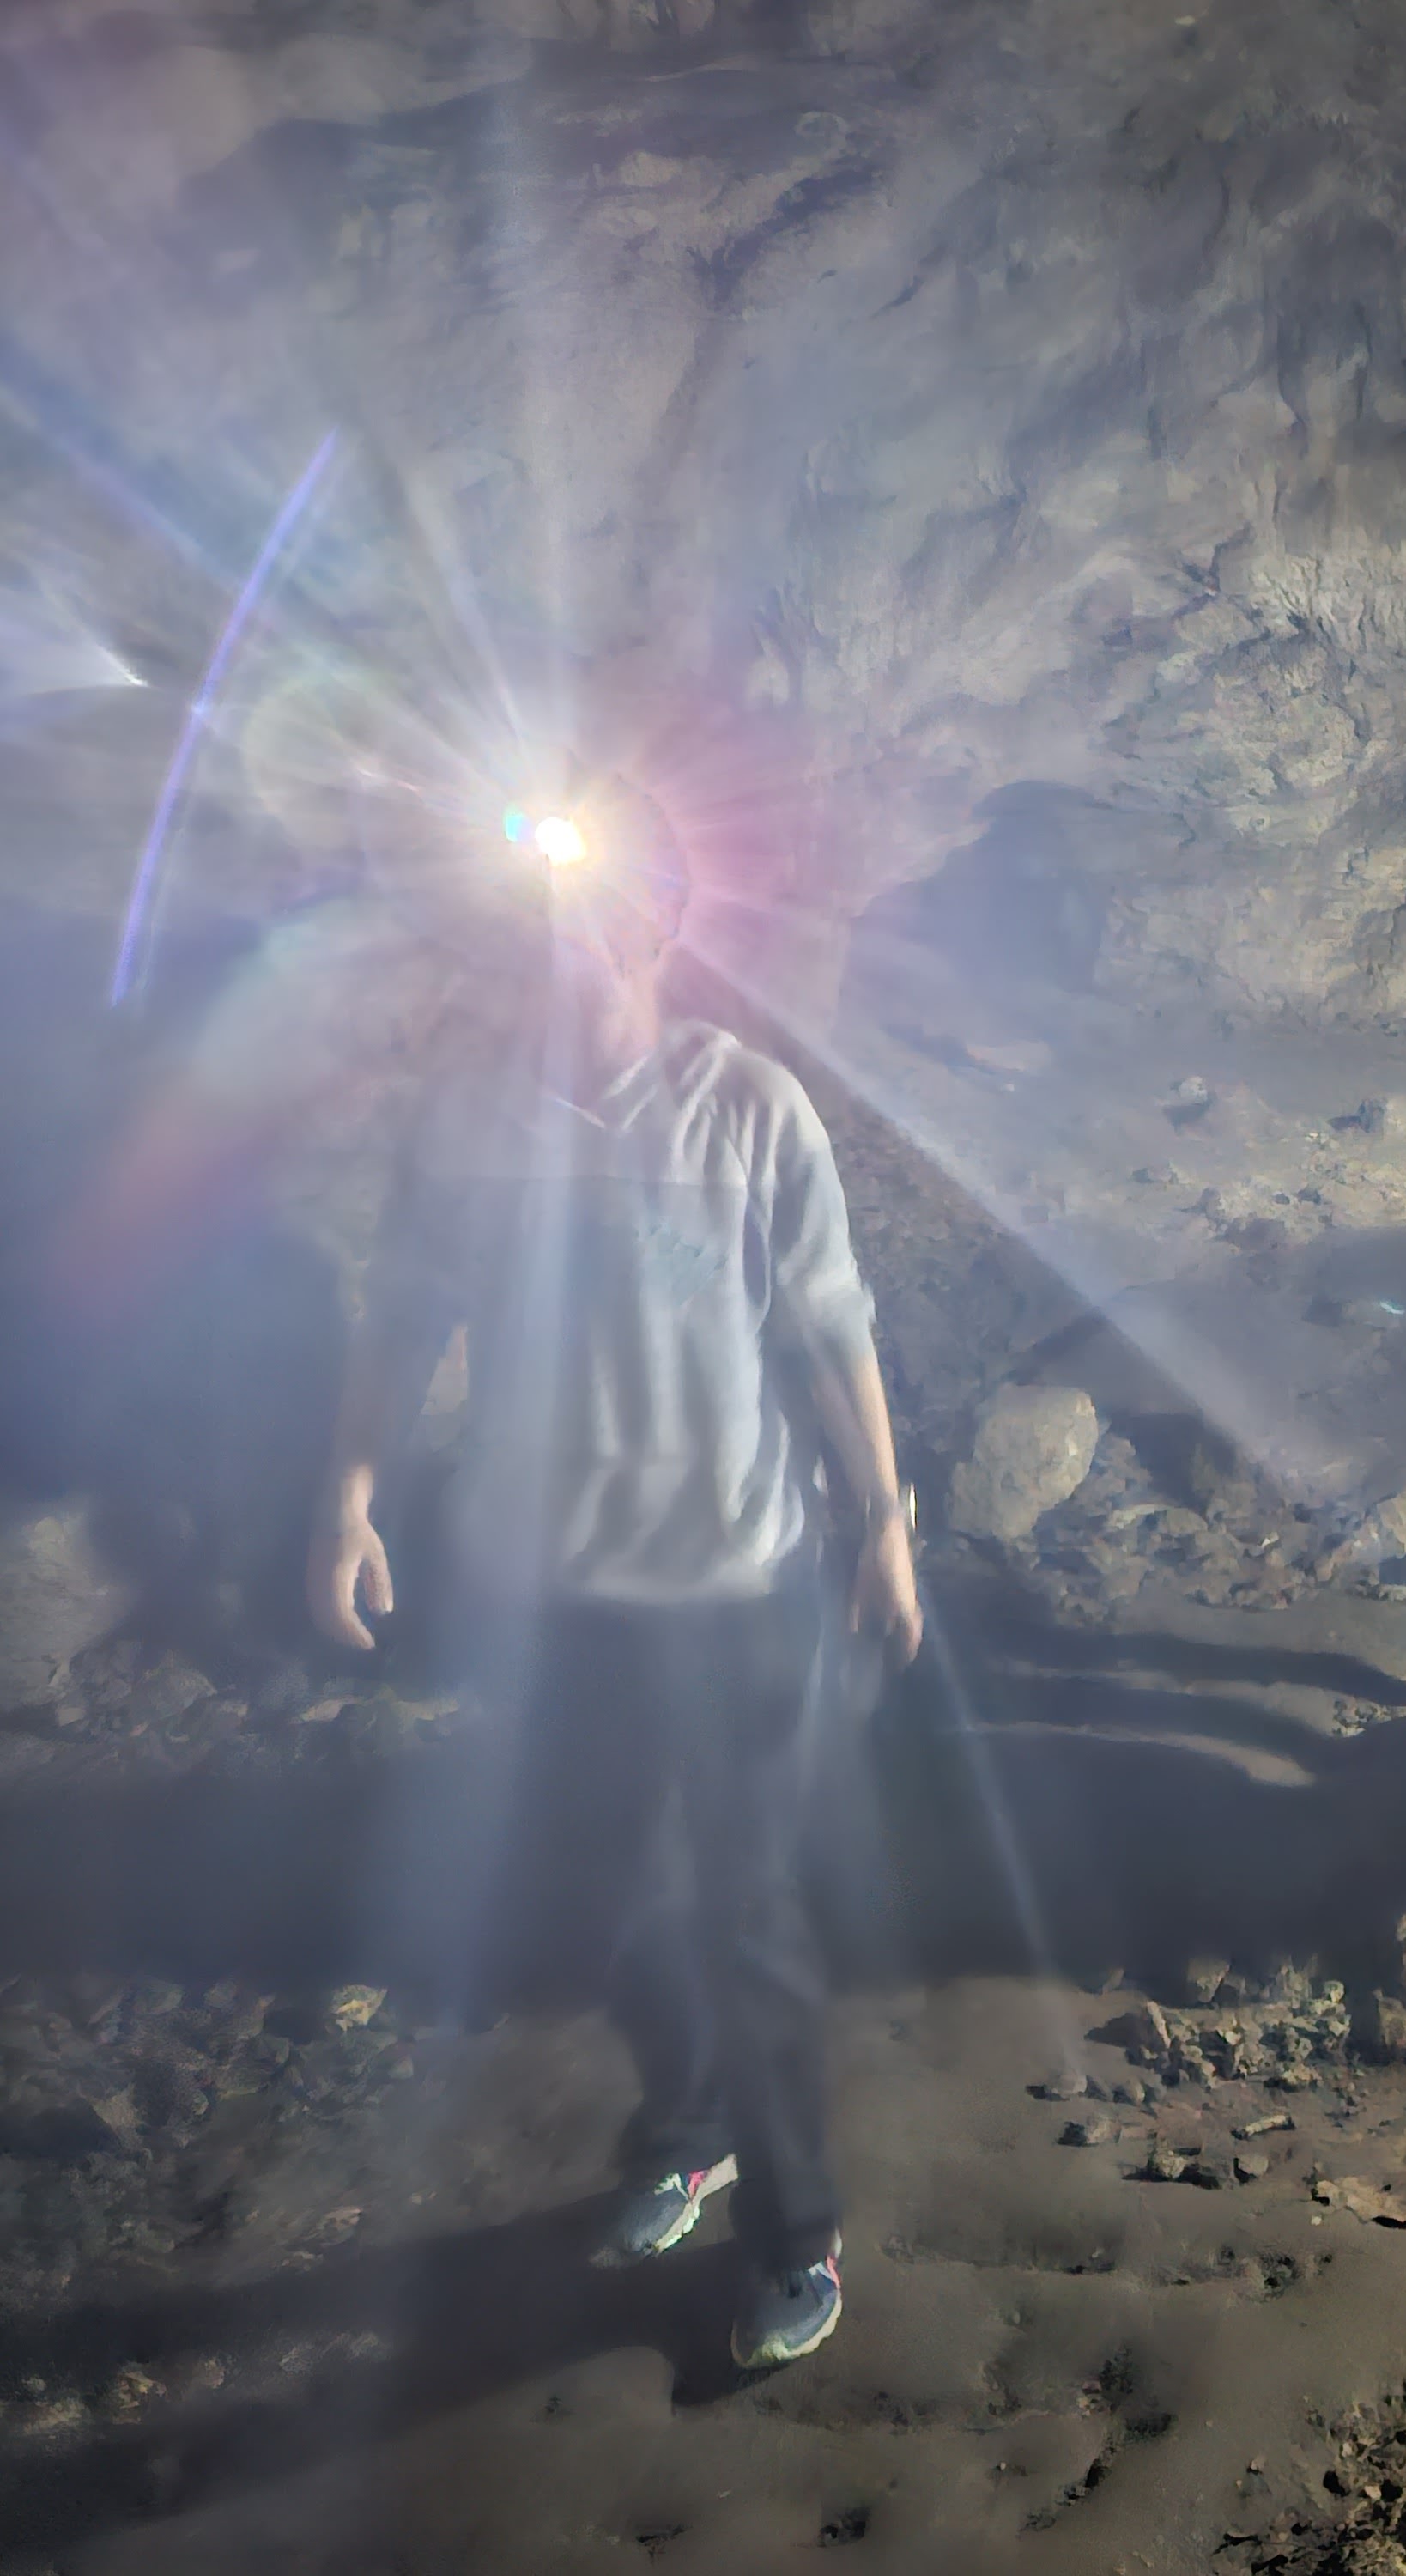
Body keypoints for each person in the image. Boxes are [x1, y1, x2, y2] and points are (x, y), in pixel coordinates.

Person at [306, 777, 920, 2369]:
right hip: (557, 1595)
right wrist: (350, 1498)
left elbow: (830, 1325)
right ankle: (692, 2132)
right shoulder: (469, 1123)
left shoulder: (748, 1110)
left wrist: (882, 1521)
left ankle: (795, 2231)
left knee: (748, 1916)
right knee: (623, 1896)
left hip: (734, 1585)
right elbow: (403, 1317)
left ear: (658, 923)